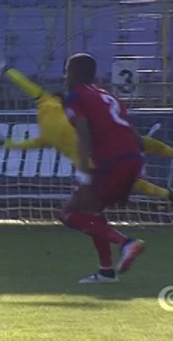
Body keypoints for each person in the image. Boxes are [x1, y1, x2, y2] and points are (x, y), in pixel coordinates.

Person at [0, 64, 173, 213]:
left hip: (92, 162)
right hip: (97, 154)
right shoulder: (58, 107)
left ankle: (169, 191)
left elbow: (27, 143)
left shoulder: (45, 113)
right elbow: (27, 87)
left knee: (131, 177)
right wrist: (9, 70)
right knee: (136, 147)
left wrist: (5, 144)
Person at [58, 53, 148, 283]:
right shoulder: (107, 95)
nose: (65, 76)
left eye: (67, 71)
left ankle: (126, 243)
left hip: (112, 162)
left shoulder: (76, 96)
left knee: (70, 213)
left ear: (73, 73)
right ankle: (106, 271)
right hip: (132, 159)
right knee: (92, 212)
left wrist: (83, 173)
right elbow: (134, 134)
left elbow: (84, 134)